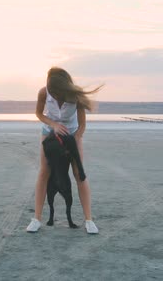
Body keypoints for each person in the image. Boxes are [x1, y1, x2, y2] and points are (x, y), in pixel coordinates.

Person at [26, 67, 103, 234]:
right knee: (44, 172)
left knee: (79, 174)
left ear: (63, 88)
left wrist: (72, 143)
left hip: (73, 134)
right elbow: (39, 113)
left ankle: (89, 220)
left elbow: (82, 125)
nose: (53, 95)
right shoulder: (44, 93)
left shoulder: (76, 96)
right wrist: (53, 125)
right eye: (51, 92)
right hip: (49, 133)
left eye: (56, 92)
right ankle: (36, 219)